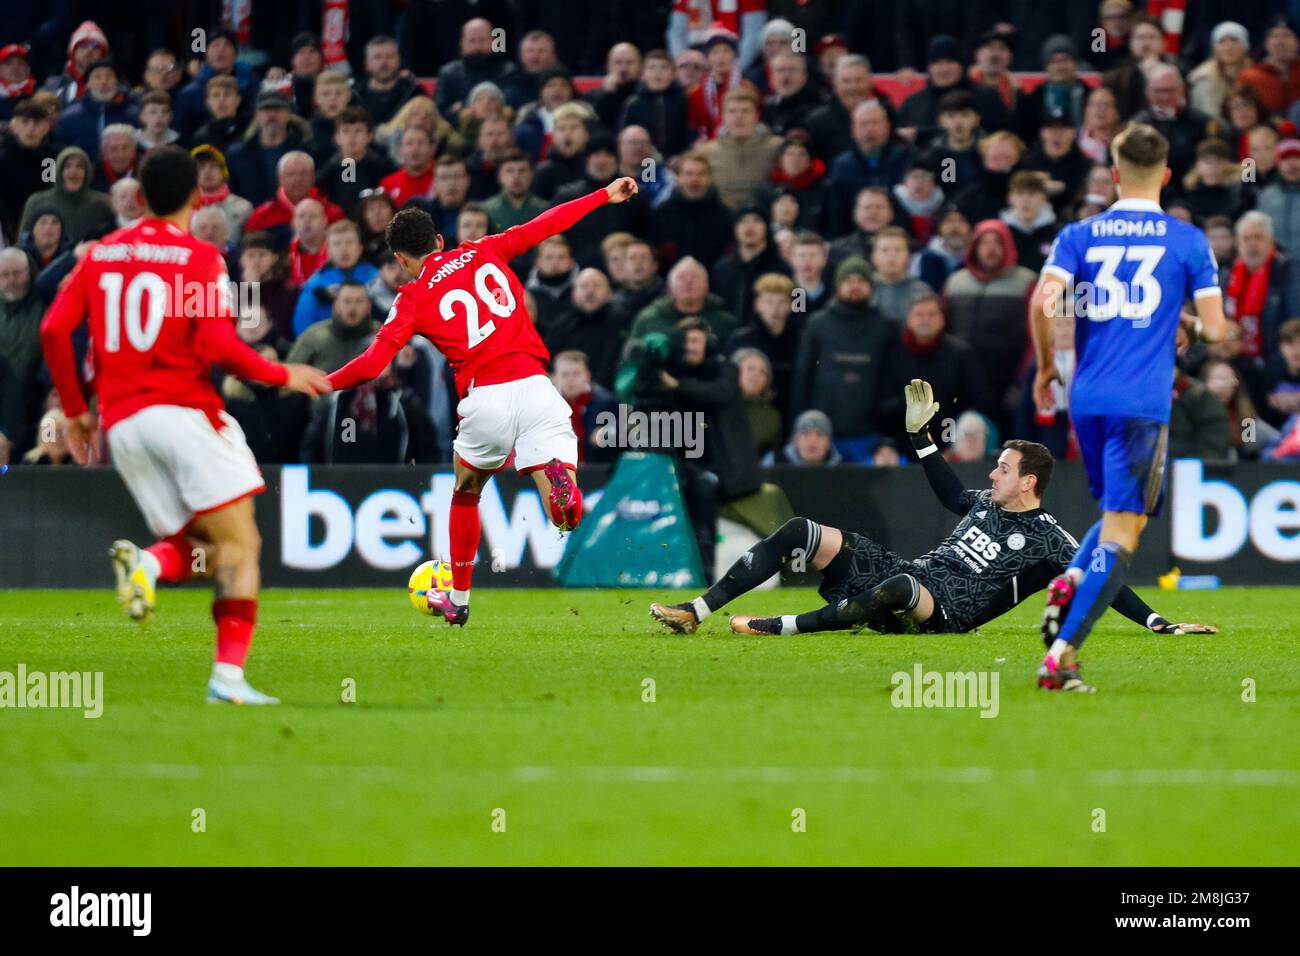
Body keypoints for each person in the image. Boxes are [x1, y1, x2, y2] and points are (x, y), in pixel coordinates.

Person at [38, 145, 329, 704]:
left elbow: (54, 330)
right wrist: (279, 372)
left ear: (140, 197)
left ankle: (151, 562)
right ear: (198, 197)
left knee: (203, 546)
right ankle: (227, 677)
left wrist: (77, 410)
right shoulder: (200, 258)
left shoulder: (101, 254)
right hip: (183, 414)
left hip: (123, 427)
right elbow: (220, 346)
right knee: (243, 546)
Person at [650, 380, 1213, 641]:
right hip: (911, 575)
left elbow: (1102, 579)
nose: (991, 474)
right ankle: (696, 610)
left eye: (1002, 469)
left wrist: (1160, 623)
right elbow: (949, 495)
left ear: (1028, 483)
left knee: (895, 588)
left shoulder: (1048, 537)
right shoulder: (983, 503)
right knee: (801, 531)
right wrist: (920, 437)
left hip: (942, 611)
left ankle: (783, 627)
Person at [323, 175, 642, 626]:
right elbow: (547, 223)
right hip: (538, 387)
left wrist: (321, 382)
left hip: (486, 397)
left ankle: (459, 598)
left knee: (466, 491)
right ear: (439, 239)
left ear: (400, 259)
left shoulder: (411, 296)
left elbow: (373, 365)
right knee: (564, 519)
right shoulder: (483, 248)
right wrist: (604, 195)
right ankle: (561, 484)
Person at [1029, 123, 1227, 692]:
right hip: (1142, 403)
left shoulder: (1078, 234)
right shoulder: (1188, 240)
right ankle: (1061, 656)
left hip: (1086, 397)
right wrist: (1193, 323)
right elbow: (1214, 331)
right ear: (1166, 175)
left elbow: (1045, 304)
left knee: (1120, 513)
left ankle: (1070, 579)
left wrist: (1047, 368)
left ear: (1114, 173)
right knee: (1126, 528)